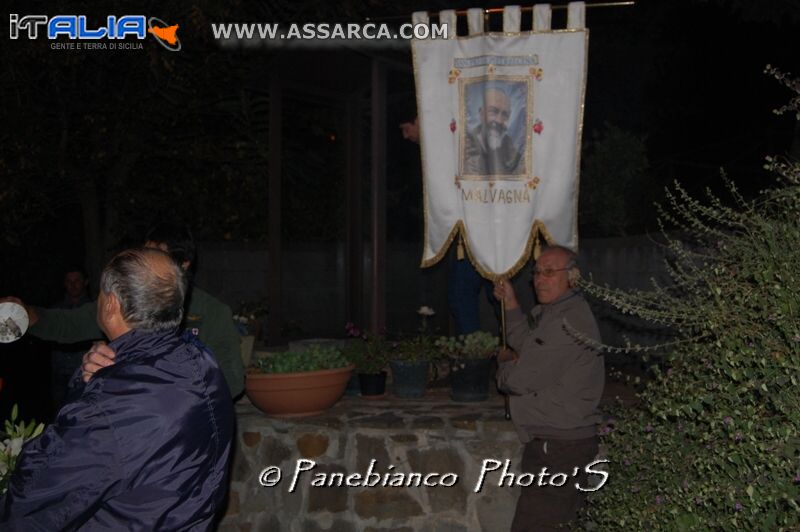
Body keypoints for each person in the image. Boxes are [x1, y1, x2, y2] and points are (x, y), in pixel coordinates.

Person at [1, 248, 234, 529]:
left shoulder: (110, 408)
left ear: (110, 304)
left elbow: (31, 502)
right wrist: (99, 372)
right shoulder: (202, 362)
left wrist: (94, 388)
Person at [15, 222, 245, 399]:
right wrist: (29, 316)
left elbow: (232, 381)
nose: (145, 264)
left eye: (158, 256)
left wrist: (162, 388)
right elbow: (71, 324)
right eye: (144, 255)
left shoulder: (213, 313)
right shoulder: (129, 301)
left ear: (183, 264)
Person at [492, 245, 604, 531]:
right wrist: (511, 301)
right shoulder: (554, 312)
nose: (540, 279)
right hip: (558, 443)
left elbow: (520, 379)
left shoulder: (568, 322)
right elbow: (524, 341)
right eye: (537, 272)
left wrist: (504, 365)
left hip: (560, 448)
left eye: (550, 272)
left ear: (573, 277)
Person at [49, 267, 93, 410]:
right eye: (69, 281)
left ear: (85, 282)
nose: (73, 285)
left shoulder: (94, 309)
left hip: (83, 373)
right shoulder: (55, 310)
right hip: (59, 373)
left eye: (77, 281)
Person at [463, 86, 525, 176]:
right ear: (481, 114)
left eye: (505, 115)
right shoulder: (465, 145)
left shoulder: (510, 148)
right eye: (493, 112)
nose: (499, 120)